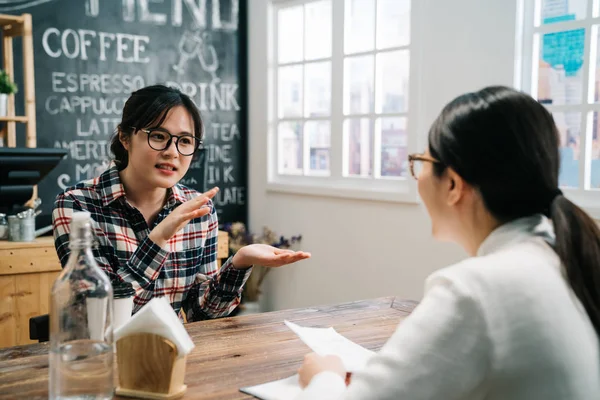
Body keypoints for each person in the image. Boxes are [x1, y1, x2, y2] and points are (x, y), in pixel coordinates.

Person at [296, 86, 600, 399]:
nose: (419, 177)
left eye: (422, 162)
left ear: (453, 184)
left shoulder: (475, 291)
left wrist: (325, 376)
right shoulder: (563, 256)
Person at [52, 85, 310, 321]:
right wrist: (160, 237)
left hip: (171, 355)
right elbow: (103, 316)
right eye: (158, 136)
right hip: (100, 359)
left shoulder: (199, 210)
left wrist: (239, 262)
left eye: (185, 141)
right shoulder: (77, 207)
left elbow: (202, 313)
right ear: (125, 137)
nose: (172, 152)